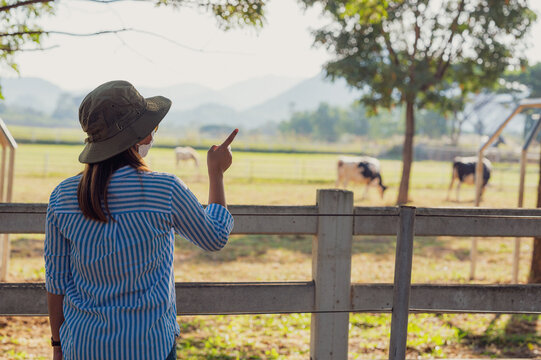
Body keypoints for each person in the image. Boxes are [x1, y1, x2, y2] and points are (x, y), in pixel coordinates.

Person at [44, 80, 236, 360]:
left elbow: (56, 282)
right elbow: (214, 237)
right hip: (150, 346)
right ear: (143, 136)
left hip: (83, 346)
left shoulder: (62, 196)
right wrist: (216, 173)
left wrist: (57, 345)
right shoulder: (165, 189)